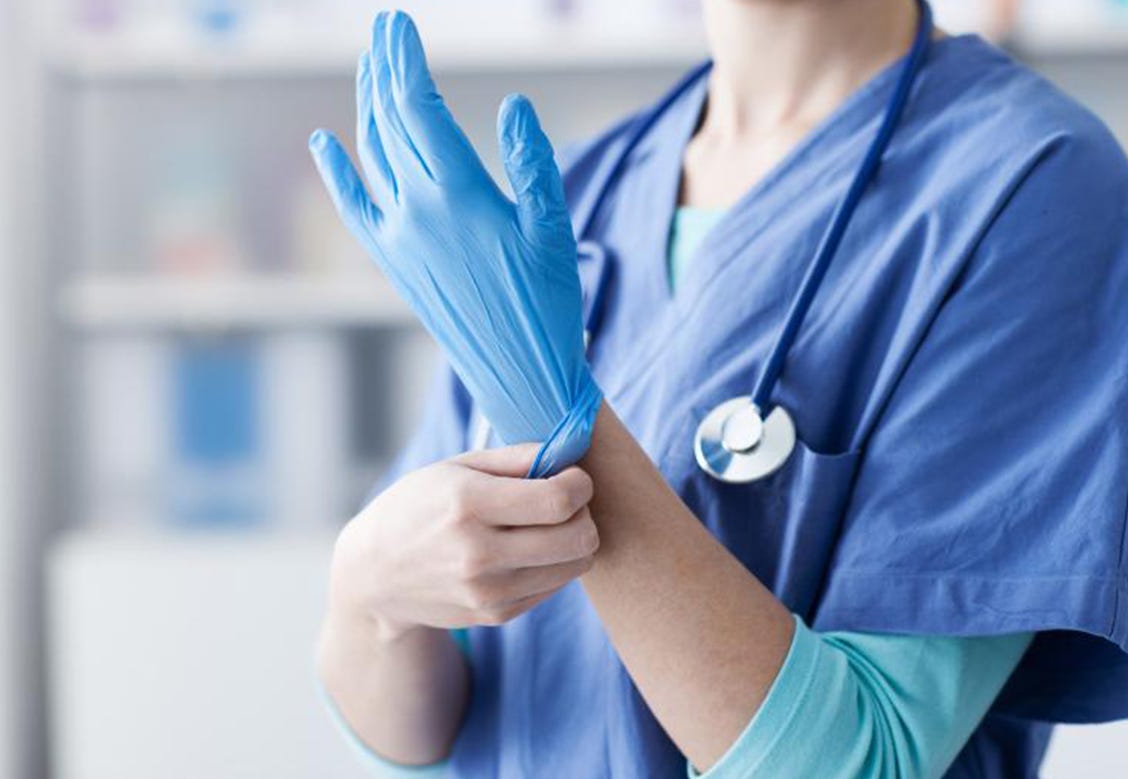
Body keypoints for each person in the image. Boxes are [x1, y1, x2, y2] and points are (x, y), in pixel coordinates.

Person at [307, 1, 1128, 776]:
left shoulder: (1033, 185)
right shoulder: (577, 192)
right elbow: (435, 719)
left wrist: (563, 424)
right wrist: (366, 593)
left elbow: (866, 757)